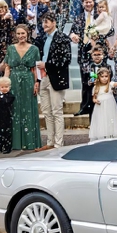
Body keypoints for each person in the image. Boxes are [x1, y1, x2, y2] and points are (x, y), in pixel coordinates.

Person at [3, 23, 42, 151]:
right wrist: (5, 82)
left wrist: (37, 83)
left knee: (28, 109)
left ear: (27, 34)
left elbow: (35, 68)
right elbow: (7, 67)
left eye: (23, 33)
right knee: (14, 110)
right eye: (18, 34)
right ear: (15, 35)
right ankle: (15, 142)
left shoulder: (34, 49)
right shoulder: (11, 48)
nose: (21, 36)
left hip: (28, 80)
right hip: (14, 80)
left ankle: (30, 141)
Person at [37, 14, 73, 149]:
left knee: (57, 111)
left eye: (46, 22)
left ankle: (59, 143)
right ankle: (50, 141)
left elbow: (65, 60)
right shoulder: (43, 38)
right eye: (43, 22)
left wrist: (46, 65)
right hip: (44, 77)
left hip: (56, 77)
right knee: (46, 111)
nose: (44, 25)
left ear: (54, 23)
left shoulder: (62, 38)